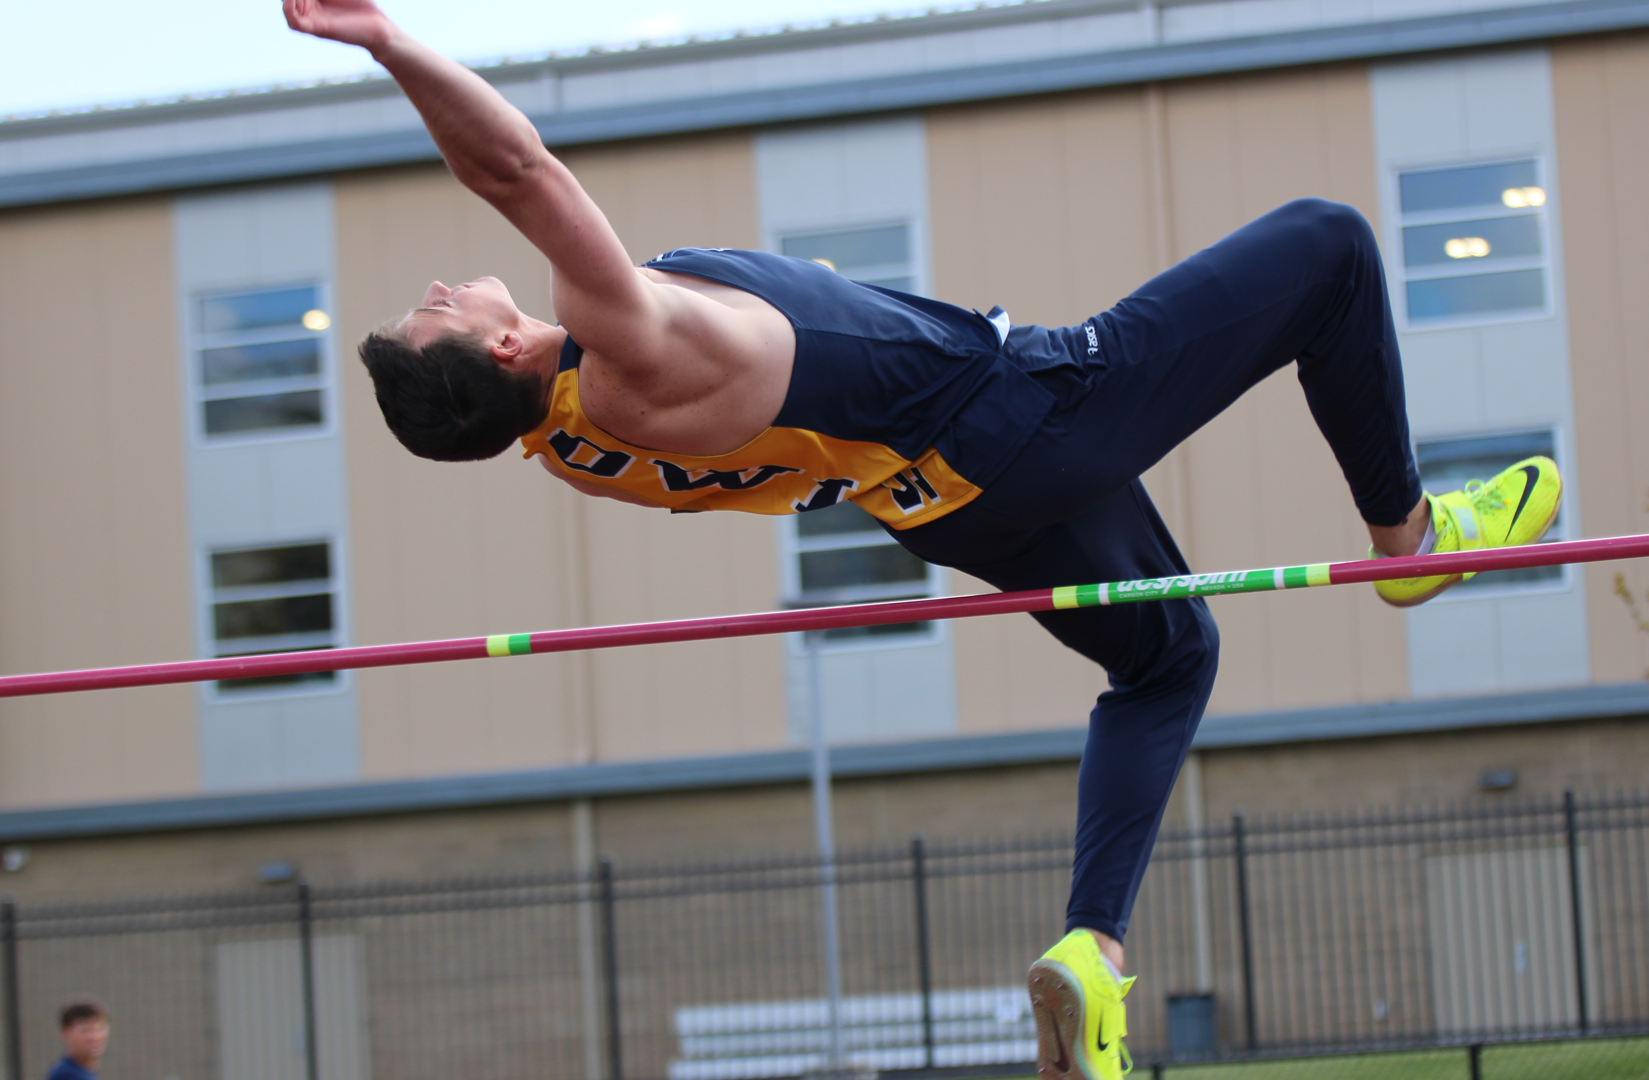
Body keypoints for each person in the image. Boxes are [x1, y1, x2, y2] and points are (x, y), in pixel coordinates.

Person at [284, 2, 1563, 1077]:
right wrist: (387, 38)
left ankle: (1093, 956)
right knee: (1331, 246)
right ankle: (1412, 542)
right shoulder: (626, 347)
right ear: (501, 350)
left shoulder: (570, 448)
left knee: (1167, 660)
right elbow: (517, 172)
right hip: (1019, 408)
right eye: (437, 312)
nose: (445, 289)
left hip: (942, 505)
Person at [46, 1000, 108, 1080]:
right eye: (85, 1030)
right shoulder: (66, 1075)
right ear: (66, 1033)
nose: (95, 1037)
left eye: (100, 1029)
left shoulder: (84, 1072)